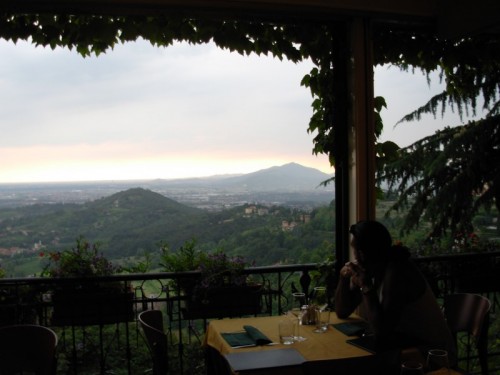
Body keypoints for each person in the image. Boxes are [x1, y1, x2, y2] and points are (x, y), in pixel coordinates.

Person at [335, 220, 455, 372]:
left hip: (433, 354)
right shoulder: (375, 268)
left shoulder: (397, 271)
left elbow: (382, 332)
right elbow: (342, 311)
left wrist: (366, 286)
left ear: (364, 253)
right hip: (404, 344)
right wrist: (343, 278)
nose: (355, 256)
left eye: (356, 250)